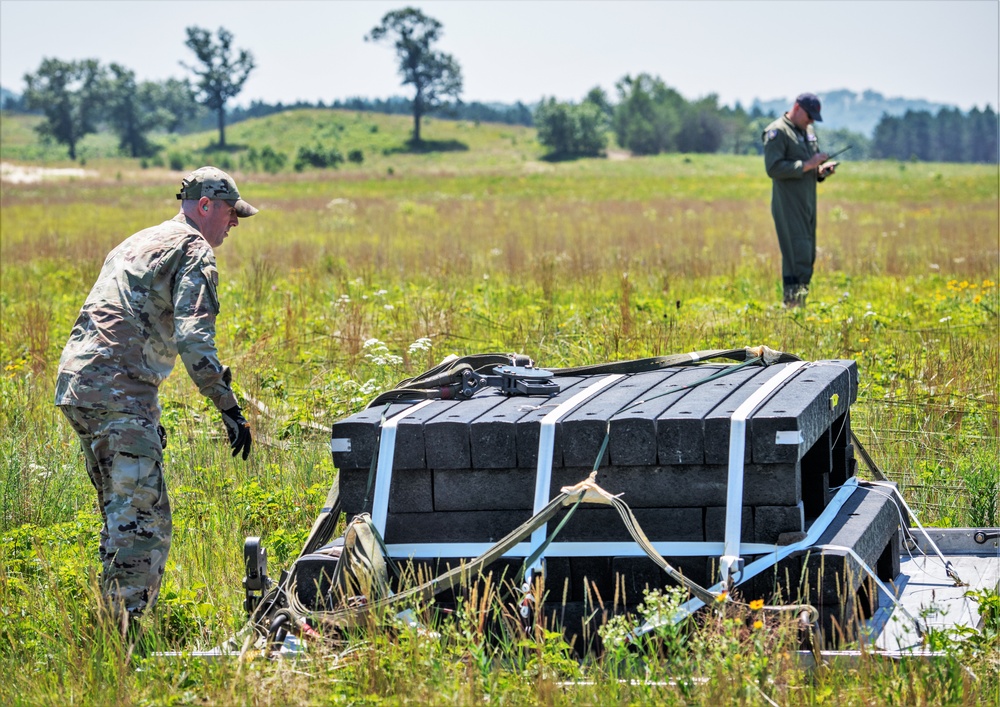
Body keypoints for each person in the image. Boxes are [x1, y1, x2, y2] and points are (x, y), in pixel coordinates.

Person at [54, 166, 256, 637]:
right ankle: (124, 640)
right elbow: (194, 339)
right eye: (231, 211)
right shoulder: (194, 249)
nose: (234, 222)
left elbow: (123, 322)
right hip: (117, 393)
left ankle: (111, 630)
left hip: (81, 386)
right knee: (144, 524)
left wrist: (144, 412)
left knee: (121, 514)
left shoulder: (140, 240)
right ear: (205, 205)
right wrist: (229, 407)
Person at [763, 92, 836, 307]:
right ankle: (792, 305)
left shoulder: (808, 131)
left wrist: (820, 171)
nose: (811, 121)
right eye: (809, 116)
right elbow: (773, 168)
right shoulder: (778, 131)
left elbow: (809, 166)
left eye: (814, 118)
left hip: (807, 203)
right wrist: (808, 164)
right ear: (797, 108)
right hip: (789, 204)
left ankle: (799, 303)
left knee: (807, 253)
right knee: (797, 254)